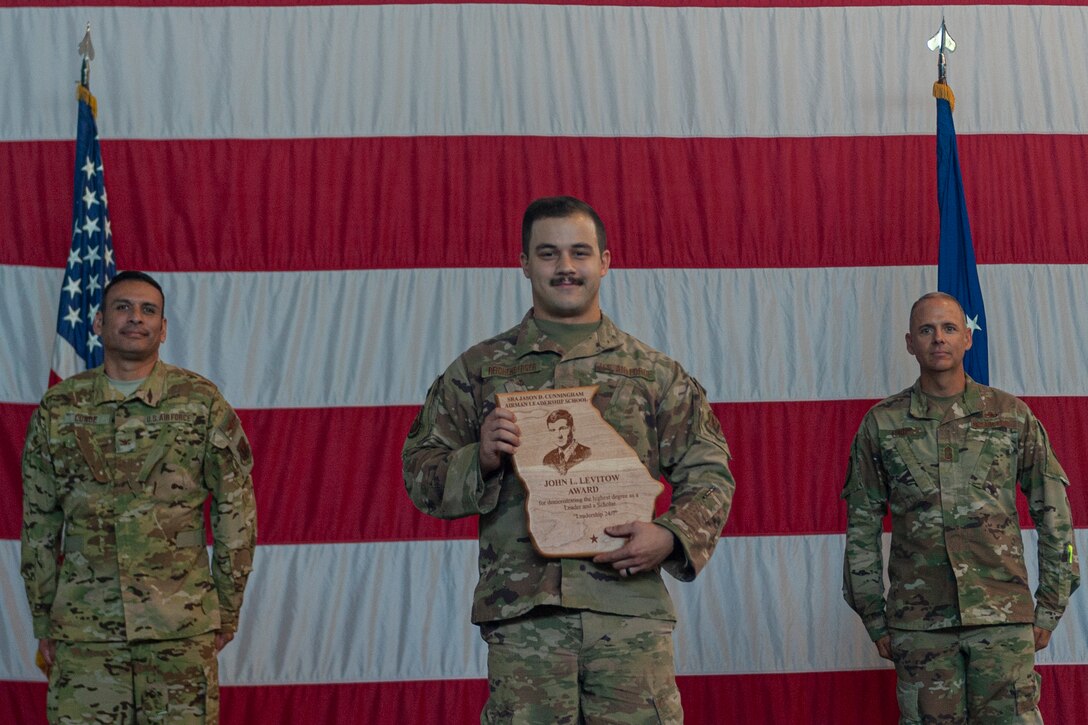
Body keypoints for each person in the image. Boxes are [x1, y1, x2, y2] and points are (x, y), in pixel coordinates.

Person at [403, 196, 735, 723]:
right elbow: (420, 474)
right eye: (548, 253)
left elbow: (710, 474)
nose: (565, 267)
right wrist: (478, 459)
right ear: (524, 263)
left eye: (580, 252)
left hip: (628, 615)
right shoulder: (479, 370)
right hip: (525, 618)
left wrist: (671, 536)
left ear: (605, 261)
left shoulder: (654, 374)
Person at [21, 270, 257, 723]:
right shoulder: (59, 409)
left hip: (178, 629)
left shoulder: (201, 403)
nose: (136, 318)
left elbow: (236, 516)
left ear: (163, 329)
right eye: (123, 307)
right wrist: (44, 618)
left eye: (149, 310)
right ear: (98, 322)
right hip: (86, 632)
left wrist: (225, 610)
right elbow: (38, 524)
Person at [842, 291, 1079, 724]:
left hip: (1002, 620)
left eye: (949, 328)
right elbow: (861, 527)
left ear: (967, 338)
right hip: (920, 626)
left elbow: (1055, 516)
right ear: (910, 342)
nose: (939, 338)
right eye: (926, 329)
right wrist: (874, 616)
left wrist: (1050, 606)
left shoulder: (1011, 416)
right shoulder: (883, 423)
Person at [542, 408, 591, 475]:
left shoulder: (587, 453)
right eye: (552, 430)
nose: (558, 435)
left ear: (573, 429)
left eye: (562, 428)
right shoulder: (547, 459)